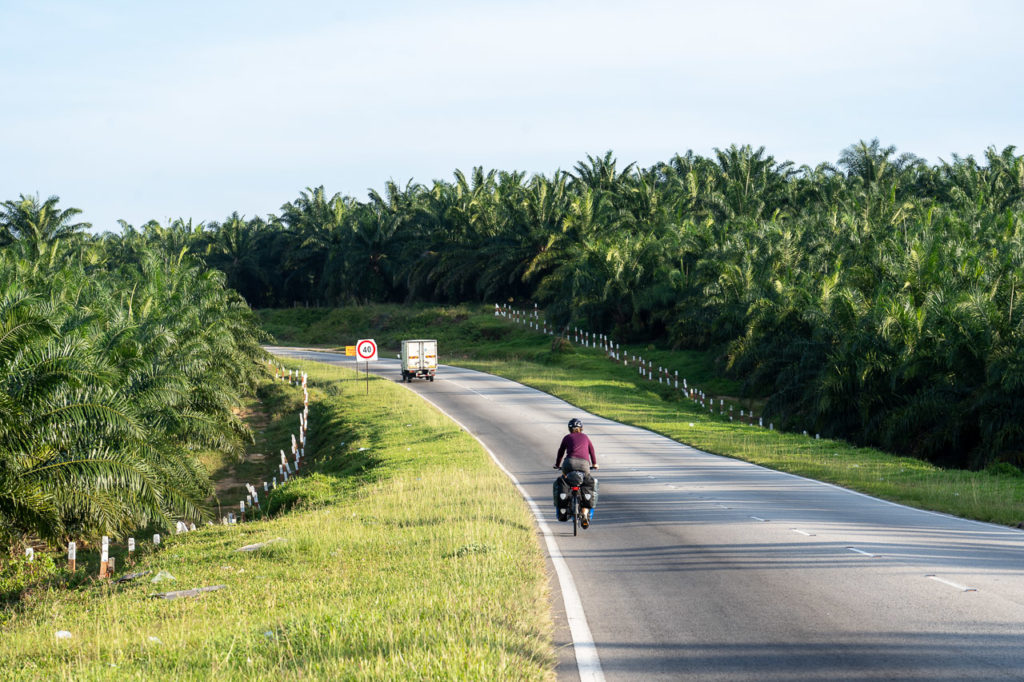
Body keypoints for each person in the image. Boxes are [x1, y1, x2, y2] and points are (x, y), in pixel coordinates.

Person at [553, 418, 599, 527]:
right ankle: (584, 513)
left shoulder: (567, 437)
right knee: (586, 485)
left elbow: (561, 452)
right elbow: (591, 451)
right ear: (581, 428)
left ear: (569, 429)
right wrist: (594, 464)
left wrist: (557, 464)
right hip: (584, 465)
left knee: (565, 480)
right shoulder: (585, 437)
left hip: (569, 463)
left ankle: (566, 503)